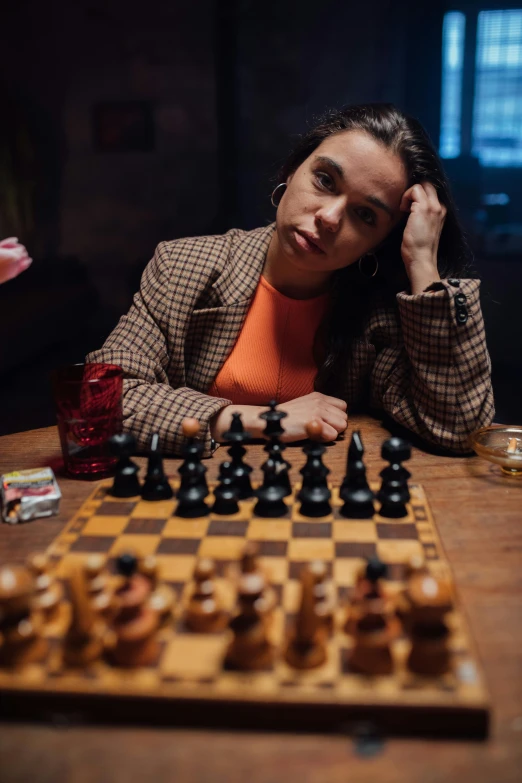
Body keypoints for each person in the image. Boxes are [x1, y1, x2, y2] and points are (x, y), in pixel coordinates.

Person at [87, 104, 494, 456]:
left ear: (382, 240)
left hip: (326, 512)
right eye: (325, 180)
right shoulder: (183, 266)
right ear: (292, 169)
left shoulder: (382, 312)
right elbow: (99, 401)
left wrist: (422, 262)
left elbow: (458, 428)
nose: (330, 218)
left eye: (365, 215)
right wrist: (265, 420)